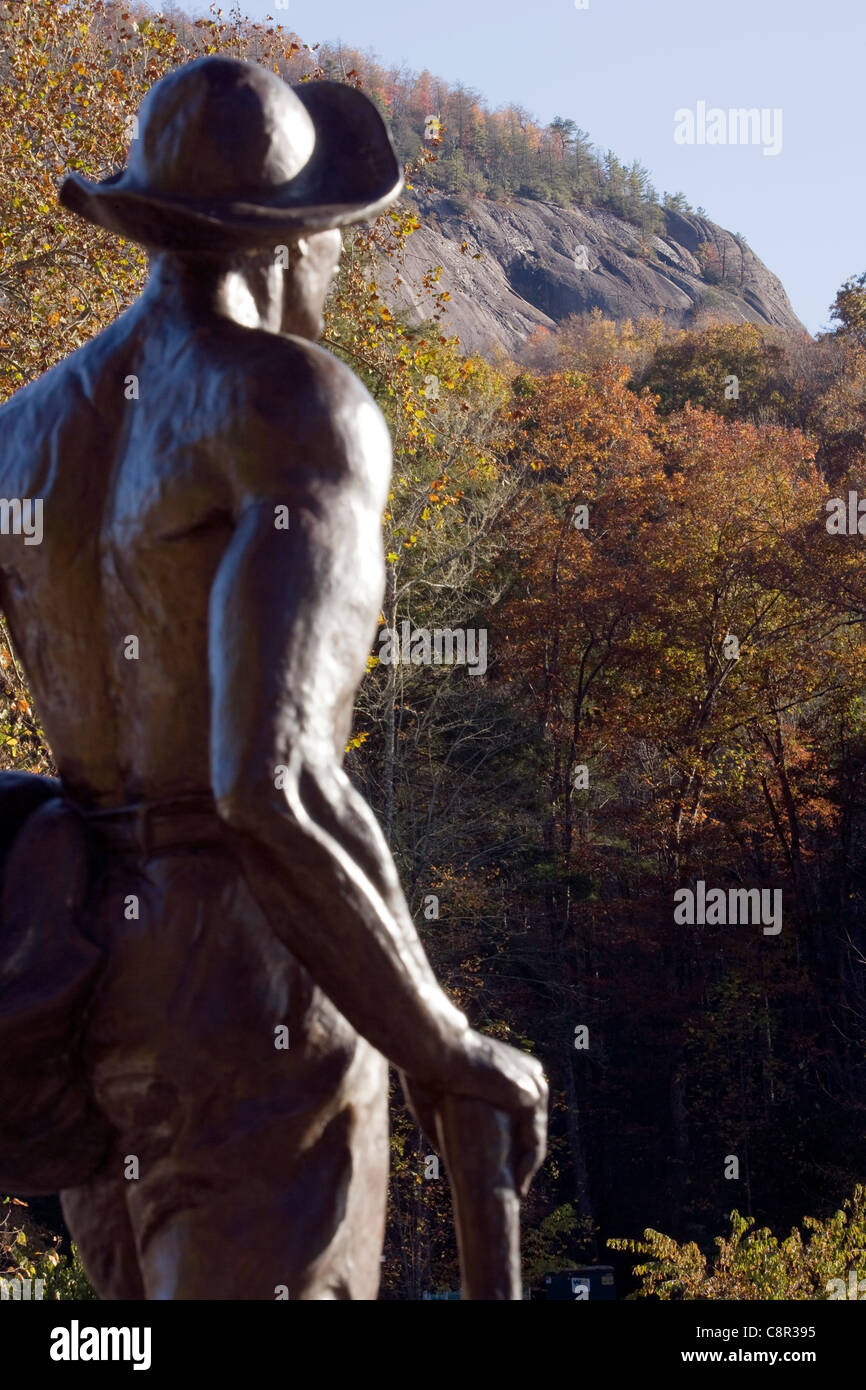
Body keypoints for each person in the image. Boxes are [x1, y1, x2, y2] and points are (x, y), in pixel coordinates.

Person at [0, 56, 547, 1299]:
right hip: (250, 979)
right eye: (339, 240)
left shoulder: (21, 433)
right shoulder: (294, 406)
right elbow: (272, 783)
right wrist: (441, 1042)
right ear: (290, 242)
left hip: (91, 971)